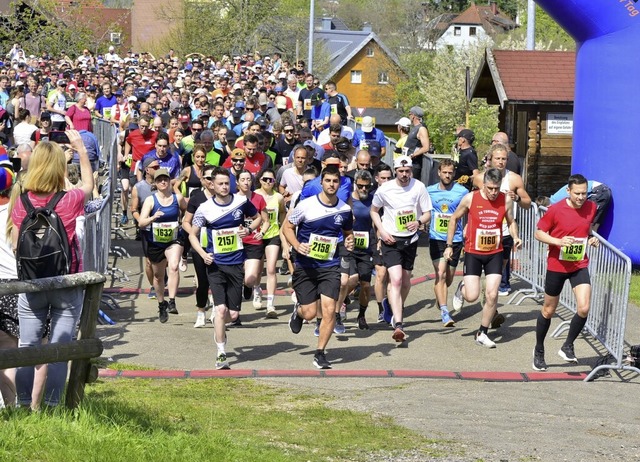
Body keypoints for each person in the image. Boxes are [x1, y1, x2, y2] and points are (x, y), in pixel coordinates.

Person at [10, 131, 94, 409]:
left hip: (31, 284)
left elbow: (14, 244)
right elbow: (89, 185)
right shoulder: (69, 201)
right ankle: (53, 404)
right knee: (59, 349)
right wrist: (81, 149)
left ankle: (22, 404)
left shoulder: (21, 203)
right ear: (59, 167)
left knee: (28, 349)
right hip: (65, 282)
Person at [189, 167, 261, 369]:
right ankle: (221, 353)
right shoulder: (204, 208)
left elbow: (258, 218)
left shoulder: (240, 202)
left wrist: (247, 229)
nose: (223, 187)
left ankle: (220, 321)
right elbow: (192, 234)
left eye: (226, 183)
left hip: (236, 263)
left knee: (233, 315)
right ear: (211, 184)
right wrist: (203, 254)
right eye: (219, 183)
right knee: (220, 310)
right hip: (216, 265)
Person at [284, 165, 354, 369]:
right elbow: (288, 227)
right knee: (309, 313)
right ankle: (298, 312)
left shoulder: (344, 209)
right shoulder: (306, 206)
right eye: (328, 181)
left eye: (335, 181)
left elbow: (348, 233)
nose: (332, 185)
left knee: (330, 310)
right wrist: (297, 245)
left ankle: (320, 352)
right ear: (321, 182)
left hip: (330, 266)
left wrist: (349, 241)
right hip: (306, 266)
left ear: (339, 184)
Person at [445, 168, 522, 348]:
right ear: (484, 185)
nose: (494, 192)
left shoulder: (506, 200)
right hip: (474, 252)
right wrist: (449, 245)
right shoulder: (471, 198)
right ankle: (462, 287)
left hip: (495, 252)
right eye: (490, 188)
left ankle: (482, 332)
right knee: (472, 296)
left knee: (492, 294)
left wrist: (516, 236)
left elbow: (511, 222)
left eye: (496, 188)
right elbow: (454, 218)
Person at [532, 174, 599, 371]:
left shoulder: (591, 207)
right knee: (548, 310)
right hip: (557, 266)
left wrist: (592, 238)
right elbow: (538, 232)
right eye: (577, 193)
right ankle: (539, 350)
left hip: (579, 264)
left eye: (584, 193)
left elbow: (586, 229)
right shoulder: (555, 210)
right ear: (568, 191)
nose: (581, 197)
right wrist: (558, 241)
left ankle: (568, 346)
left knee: (584, 307)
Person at [370, 155, 432, 343]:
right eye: (401, 171)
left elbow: (428, 213)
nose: (404, 175)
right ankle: (399, 325)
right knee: (395, 280)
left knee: (405, 283)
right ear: (395, 171)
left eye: (407, 171)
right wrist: (381, 232)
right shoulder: (385, 189)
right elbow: (374, 211)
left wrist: (419, 221)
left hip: (410, 241)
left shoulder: (419, 187)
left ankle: (395, 305)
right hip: (391, 240)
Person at [137, 167, 187, 323]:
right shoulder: (151, 200)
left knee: (173, 266)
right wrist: (153, 218)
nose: (163, 182)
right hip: (156, 242)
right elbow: (141, 223)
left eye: (165, 179)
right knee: (158, 278)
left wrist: (183, 222)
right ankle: (161, 304)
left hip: (174, 239)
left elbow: (186, 210)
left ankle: (172, 301)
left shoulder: (177, 198)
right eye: (159, 180)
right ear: (156, 183)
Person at [427, 159, 468, 327]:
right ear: (439, 173)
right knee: (441, 273)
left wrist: (466, 228)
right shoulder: (429, 191)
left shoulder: (462, 191)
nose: (447, 175)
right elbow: (422, 208)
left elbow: (471, 212)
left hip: (456, 238)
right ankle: (445, 312)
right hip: (436, 238)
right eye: (444, 172)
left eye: (450, 172)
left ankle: (442, 292)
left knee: (448, 278)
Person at [255, 169, 286, 318]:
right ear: (260, 180)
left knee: (271, 268)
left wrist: (282, 229)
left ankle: (270, 304)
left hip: (273, 234)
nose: (268, 182)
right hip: (256, 236)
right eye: (265, 179)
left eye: (271, 180)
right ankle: (256, 289)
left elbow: (282, 213)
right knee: (257, 270)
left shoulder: (278, 197)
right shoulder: (254, 195)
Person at [404, 107, 431, 181]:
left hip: (414, 165)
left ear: (413, 116)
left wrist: (412, 155)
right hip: (407, 163)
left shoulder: (421, 129)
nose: (409, 116)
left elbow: (426, 147)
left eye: (410, 114)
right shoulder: (414, 128)